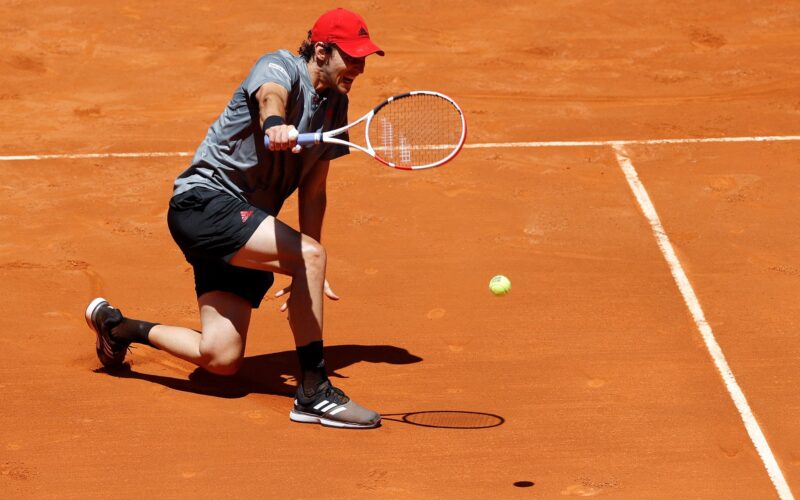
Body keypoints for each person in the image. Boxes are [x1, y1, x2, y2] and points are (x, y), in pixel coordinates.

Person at [84, 8, 384, 429]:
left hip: (244, 222)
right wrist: (275, 124)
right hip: (204, 203)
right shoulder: (279, 66)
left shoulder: (336, 105)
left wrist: (307, 264)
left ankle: (117, 329)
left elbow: (314, 189)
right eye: (351, 57)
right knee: (309, 256)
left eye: (363, 58)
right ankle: (313, 391)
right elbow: (269, 96)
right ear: (321, 51)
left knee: (221, 357)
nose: (359, 67)